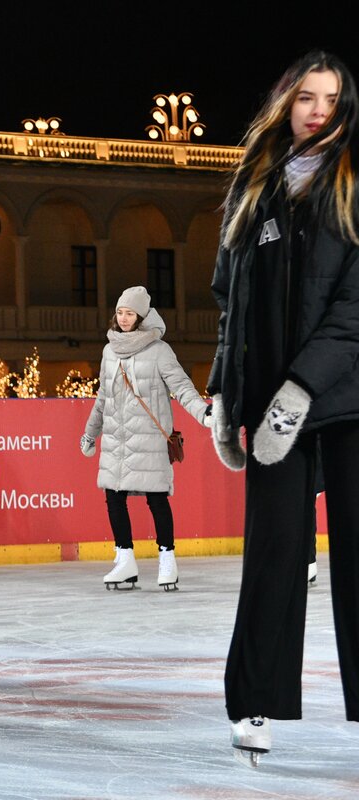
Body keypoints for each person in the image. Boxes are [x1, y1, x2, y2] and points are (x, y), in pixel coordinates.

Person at [208, 51, 359, 766]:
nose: (319, 109)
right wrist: (222, 393)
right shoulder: (254, 187)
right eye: (306, 95)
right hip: (268, 405)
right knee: (273, 552)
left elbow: (356, 311)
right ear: (285, 101)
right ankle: (256, 700)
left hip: (348, 398)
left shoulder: (355, 183)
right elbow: (229, 305)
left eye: (331, 97)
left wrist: (304, 387)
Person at [80, 286, 210, 591]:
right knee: (113, 497)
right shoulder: (109, 350)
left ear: (141, 315)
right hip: (116, 439)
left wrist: (203, 413)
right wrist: (90, 433)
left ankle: (168, 561)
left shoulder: (159, 350)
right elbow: (102, 398)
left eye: (130, 313)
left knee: (156, 498)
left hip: (149, 438)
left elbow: (181, 385)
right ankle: (124, 560)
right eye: (120, 312)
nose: (124, 318)